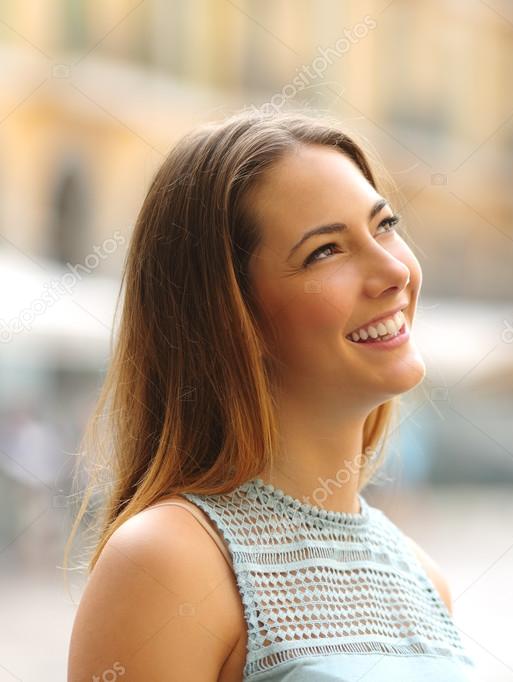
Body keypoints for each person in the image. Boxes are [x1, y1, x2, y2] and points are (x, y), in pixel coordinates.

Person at [65, 110, 476, 681]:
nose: (393, 271)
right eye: (325, 251)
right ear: (233, 317)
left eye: (384, 225)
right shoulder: (168, 562)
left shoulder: (425, 580)